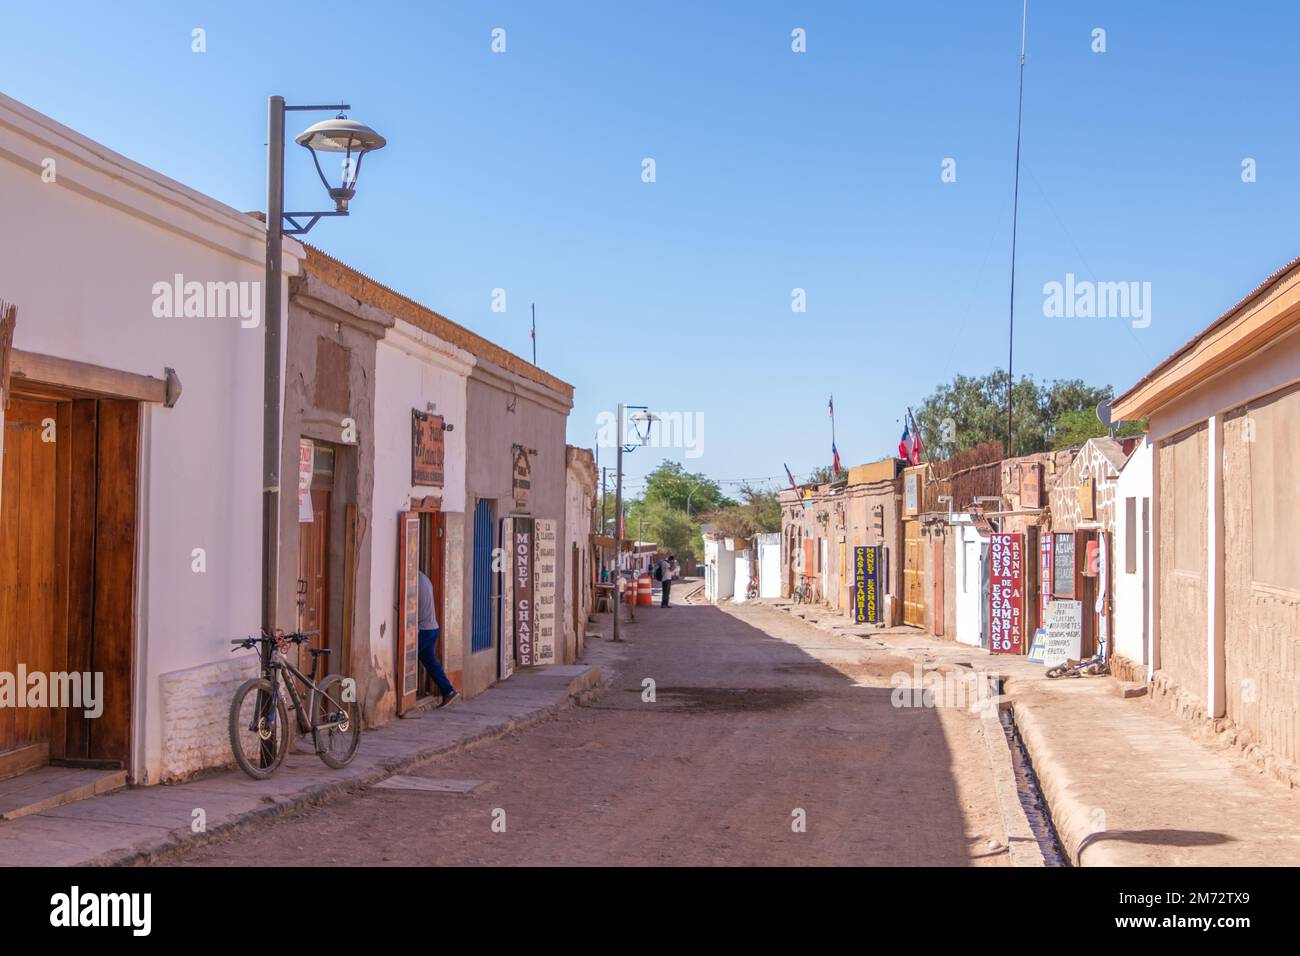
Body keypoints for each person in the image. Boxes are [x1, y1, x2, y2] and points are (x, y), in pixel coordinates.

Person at [417, 570, 458, 707]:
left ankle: (403, 698)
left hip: (422, 629)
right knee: (430, 661)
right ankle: (448, 691)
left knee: (405, 659)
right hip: (432, 627)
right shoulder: (425, 578)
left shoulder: (413, 580)